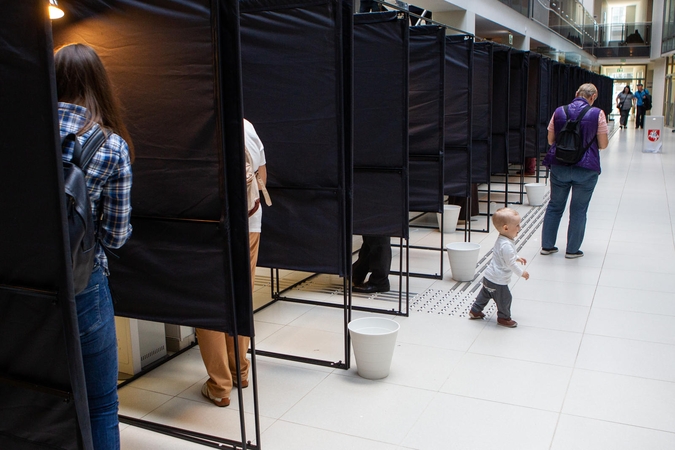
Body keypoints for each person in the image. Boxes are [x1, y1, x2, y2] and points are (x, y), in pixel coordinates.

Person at [55, 43, 134, 450]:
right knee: (101, 402)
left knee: (38, 393)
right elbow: (116, 235)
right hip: (83, 285)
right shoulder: (111, 146)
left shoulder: (18, 131)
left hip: (22, 284)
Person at [196, 119, 266, 407]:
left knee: (207, 302)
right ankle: (241, 371)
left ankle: (219, 386)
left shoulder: (194, 127)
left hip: (208, 228)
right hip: (249, 221)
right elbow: (262, 173)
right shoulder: (246, 125)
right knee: (241, 295)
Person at [541, 83, 609, 259]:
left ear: (576, 93)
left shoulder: (559, 111)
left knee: (555, 206)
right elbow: (603, 144)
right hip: (586, 169)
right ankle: (572, 250)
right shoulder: (598, 114)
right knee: (579, 210)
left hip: (560, 166)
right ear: (593, 97)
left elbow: (550, 140)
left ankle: (547, 246)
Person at [468, 208, 529, 328]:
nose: (519, 228)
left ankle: (475, 310)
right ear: (506, 228)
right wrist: (522, 273)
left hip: (489, 276)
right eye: (517, 225)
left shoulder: (502, 239)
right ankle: (503, 317)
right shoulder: (506, 244)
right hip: (498, 280)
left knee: (485, 294)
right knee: (505, 298)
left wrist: (517, 257)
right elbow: (510, 263)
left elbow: (505, 255)